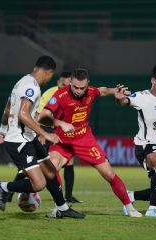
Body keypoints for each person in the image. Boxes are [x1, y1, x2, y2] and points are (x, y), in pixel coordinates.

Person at [38, 68, 142, 218]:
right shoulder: (60, 95)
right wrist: (60, 123)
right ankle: (59, 207)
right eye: (75, 87)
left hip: (84, 139)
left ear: (87, 85)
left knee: (109, 173)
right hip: (63, 140)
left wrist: (115, 91)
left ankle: (130, 208)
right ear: (70, 83)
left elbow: (102, 90)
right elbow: (43, 116)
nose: (79, 91)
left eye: (82, 88)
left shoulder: (90, 92)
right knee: (51, 170)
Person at [0, 56, 84, 219]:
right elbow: (23, 114)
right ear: (49, 72)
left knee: (50, 172)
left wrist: (2, 129)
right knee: (39, 183)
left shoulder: (21, 81)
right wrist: (46, 134)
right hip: (19, 141)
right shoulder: (32, 87)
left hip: (26, 137)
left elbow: (8, 109)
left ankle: (62, 208)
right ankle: (4, 187)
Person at [5, 71, 82, 204]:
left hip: (58, 131)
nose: (65, 86)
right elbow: (38, 116)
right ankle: (9, 191)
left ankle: (68, 197)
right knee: (32, 167)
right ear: (58, 82)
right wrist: (41, 135)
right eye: (63, 84)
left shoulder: (72, 94)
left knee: (69, 162)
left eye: (68, 84)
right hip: (45, 130)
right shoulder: (49, 94)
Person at [115, 63, 156, 218]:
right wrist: (119, 98)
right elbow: (124, 102)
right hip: (144, 145)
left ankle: (131, 196)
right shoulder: (142, 96)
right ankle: (152, 209)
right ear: (153, 80)